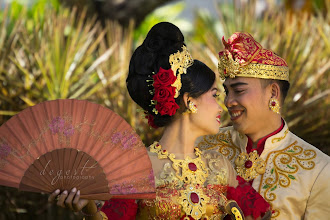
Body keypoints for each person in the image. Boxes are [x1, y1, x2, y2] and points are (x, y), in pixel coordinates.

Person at [48, 23, 270, 220]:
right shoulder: (136, 169)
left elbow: (261, 214)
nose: (221, 106)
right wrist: (89, 209)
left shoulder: (220, 164)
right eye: (214, 95)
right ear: (189, 101)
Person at [197, 32, 330, 219]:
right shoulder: (202, 146)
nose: (228, 101)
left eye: (239, 90)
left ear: (273, 93)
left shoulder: (318, 169)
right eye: (227, 91)